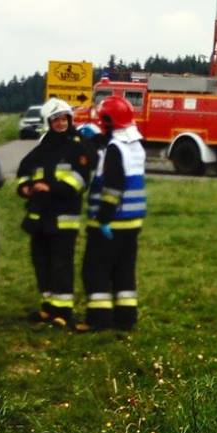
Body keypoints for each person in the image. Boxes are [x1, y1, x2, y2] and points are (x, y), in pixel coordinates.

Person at [14, 98, 89, 326]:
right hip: (40, 218)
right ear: (48, 122)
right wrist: (25, 187)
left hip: (63, 218)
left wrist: (51, 187)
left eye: (64, 119)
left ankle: (63, 312)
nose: (61, 123)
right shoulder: (41, 149)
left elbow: (80, 179)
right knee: (41, 262)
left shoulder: (77, 147)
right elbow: (24, 172)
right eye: (56, 120)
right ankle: (47, 307)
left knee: (61, 264)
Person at [82, 95, 146, 332]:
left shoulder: (114, 149)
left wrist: (103, 219)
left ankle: (99, 319)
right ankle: (126, 318)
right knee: (124, 272)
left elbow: (113, 187)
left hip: (112, 223)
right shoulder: (135, 145)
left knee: (95, 270)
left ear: (108, 121)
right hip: (132, 223)